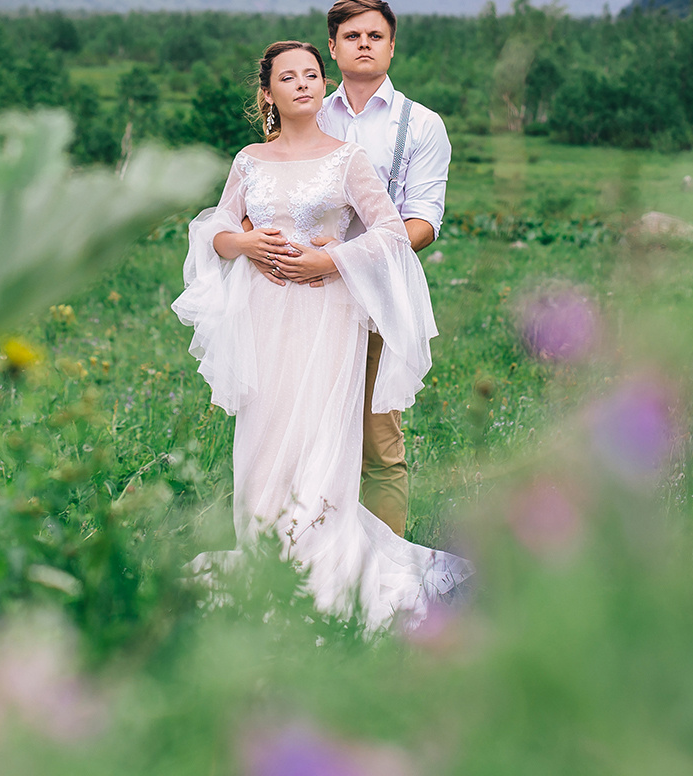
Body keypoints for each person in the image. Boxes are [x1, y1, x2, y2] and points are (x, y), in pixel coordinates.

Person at [172, 40, 470, 629]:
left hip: (327, 313)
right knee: (264, 437)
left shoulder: (348, 159)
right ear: (270, 93)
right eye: (290, 76)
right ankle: (265, 559)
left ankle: (321, 562)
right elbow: (215, 229)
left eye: (312, 73)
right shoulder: (249, 160)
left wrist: (331, 261)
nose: (305, 83)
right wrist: (247, 244)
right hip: (263, 311)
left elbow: (389, 233)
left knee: (317, 438)